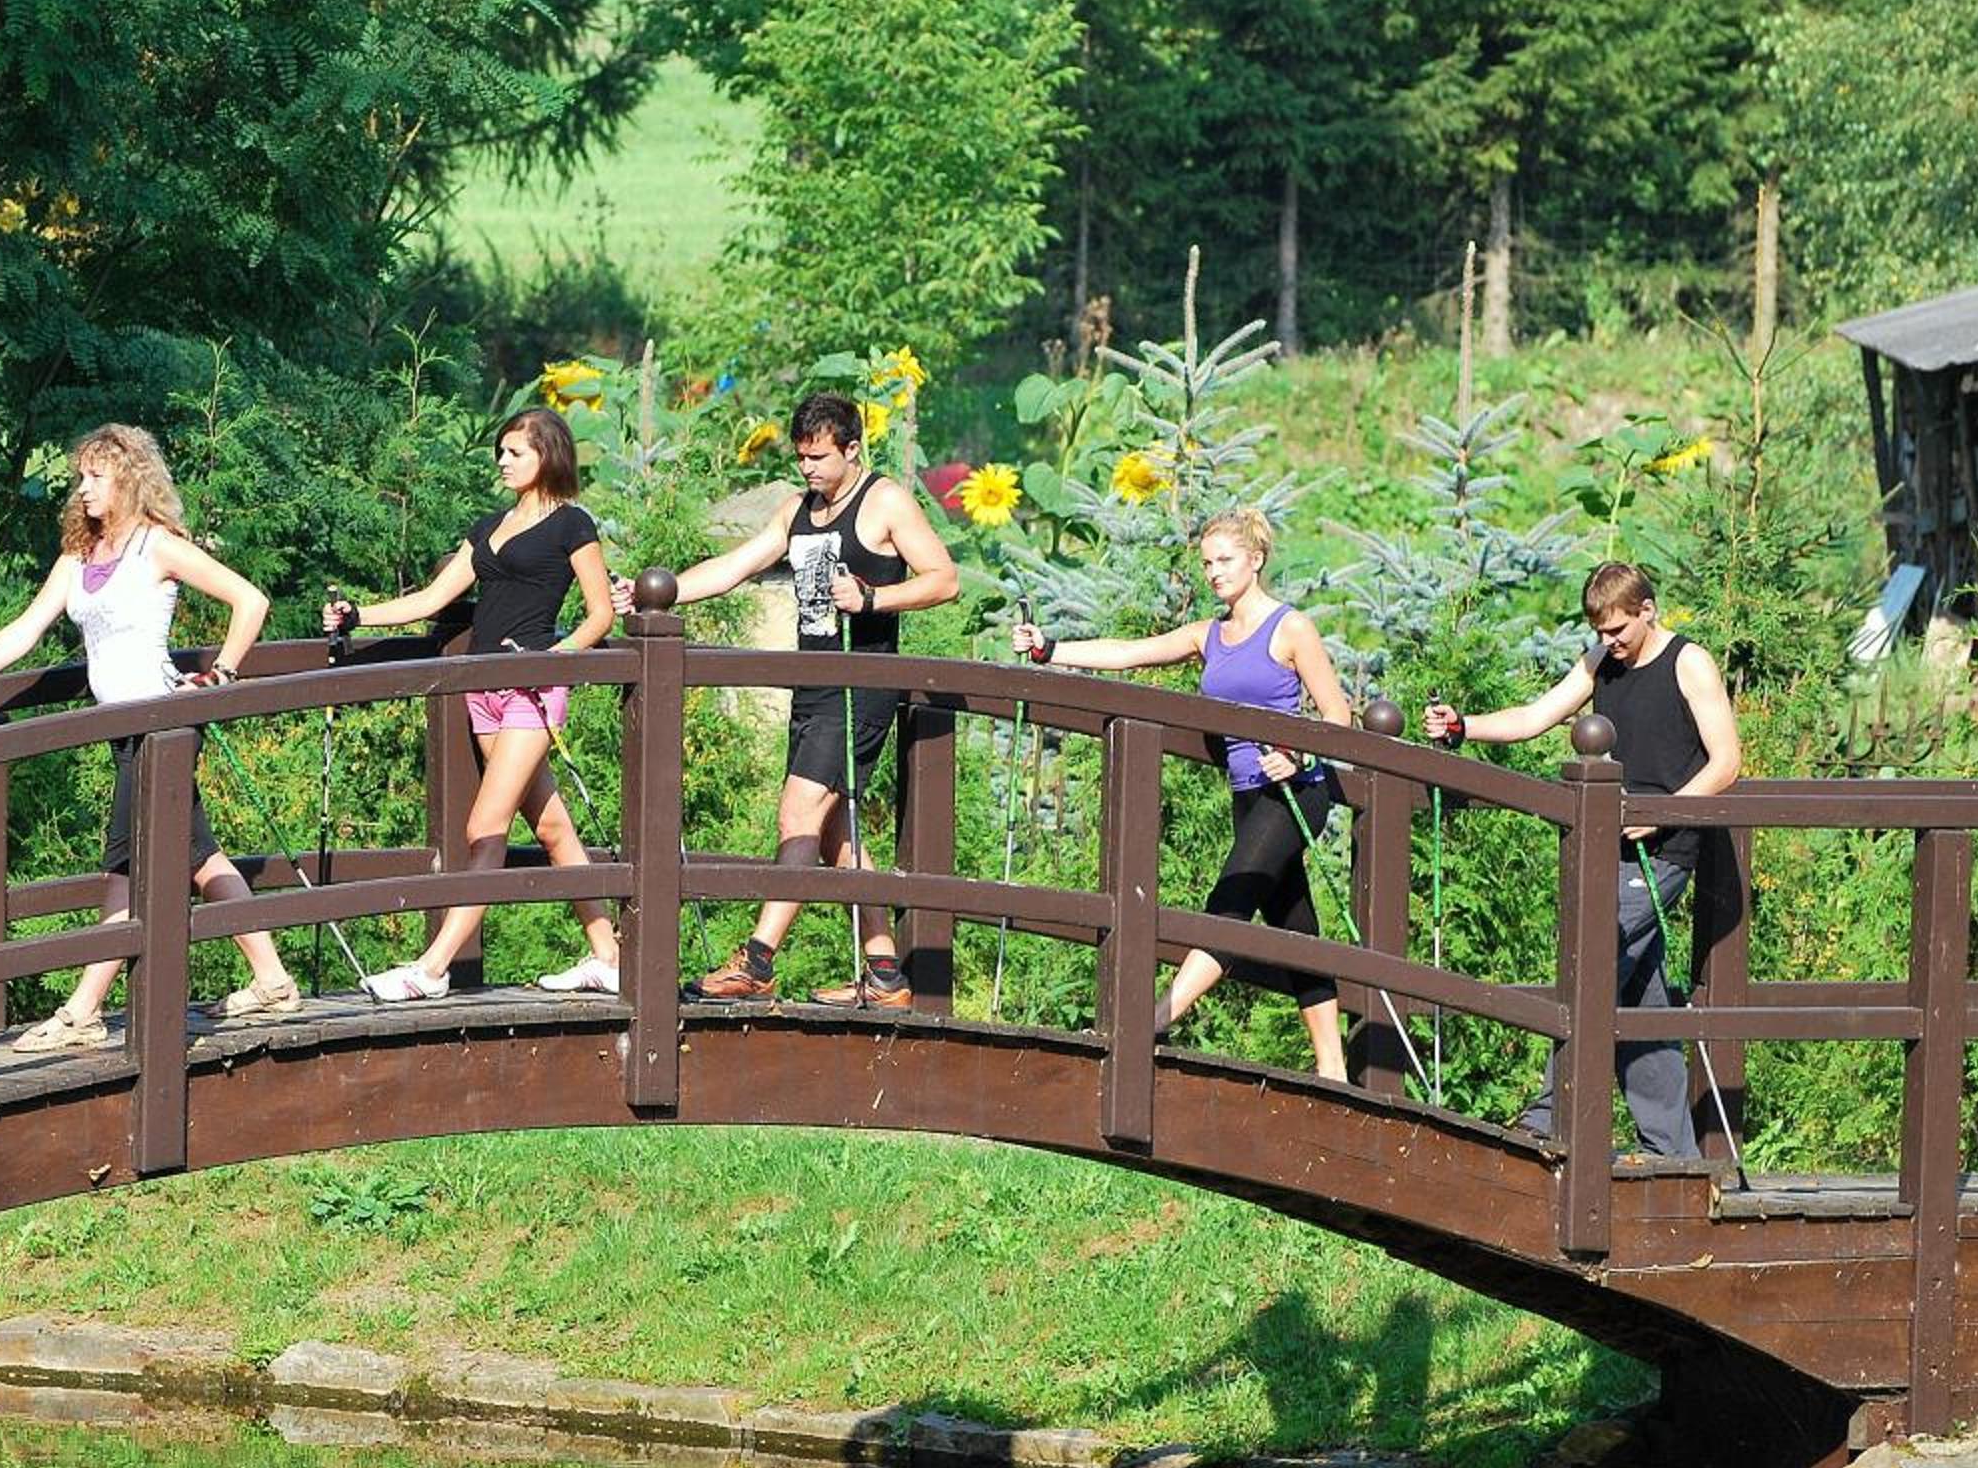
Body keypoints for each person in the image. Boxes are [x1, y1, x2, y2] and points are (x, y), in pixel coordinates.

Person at [0, 423, 300, 1051]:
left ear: (129, 478)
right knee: (197, 857)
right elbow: (23, 632)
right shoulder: (78, 556)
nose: (84, 489)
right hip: (122, 732)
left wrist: (219, 676)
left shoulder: (157, 545)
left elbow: (250, 600)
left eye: (96, 476)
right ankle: (273, 980)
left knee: (124, 865)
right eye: (81, 477)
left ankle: (82, 1011)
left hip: (161, 726)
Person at [614, 391, 959, 1007]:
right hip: (812, 687)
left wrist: (874, 599)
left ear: (852, 449)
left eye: (819, 457)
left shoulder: (884, 501)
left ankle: (758, 961)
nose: (808, 468)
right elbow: (735, 565)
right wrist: (654, 595)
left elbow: (944, 580)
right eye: (801, 457)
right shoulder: (798, 510)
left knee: (796, 815)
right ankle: (885, 974)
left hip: (860, 688)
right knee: (835, 837)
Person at [1006, 508, 1354, 1080]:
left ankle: (1150, 1021)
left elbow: (1338, 717)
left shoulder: (1290, 628)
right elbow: (1128, 653)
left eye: (1225, 560)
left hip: (1293, 792)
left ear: (1256, 560)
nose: (1214, 572)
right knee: (1295, 926)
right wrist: (1050, 649)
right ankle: (1334, 1067)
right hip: (1248, 795)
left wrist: (1297, 754)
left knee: (1231, 902)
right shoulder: (1207, 635)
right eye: (1207, 563)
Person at [1423, 561, 1743, 1157]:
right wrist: (1463, 726)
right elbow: (1535, 717)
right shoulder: (1601, 662)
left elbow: (1726, 761)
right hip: (1607, 847)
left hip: (1665, 850)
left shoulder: (1689, 663)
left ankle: (1549, 1116)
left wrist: (1666, 812)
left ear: (1647, 610)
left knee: (1593, 961)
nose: (1608, 641)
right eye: (1599, 631)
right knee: (1638, 993)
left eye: (1618, 629)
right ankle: (1676, 1155)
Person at [321, 407, 621, 1000]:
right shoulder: (488, 525)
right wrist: (358, 615)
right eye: (501, 452)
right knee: (551, 825)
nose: (503, 461)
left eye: (515, 452)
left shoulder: (573, 525)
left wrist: (552, 659)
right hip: (481, 688)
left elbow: (600, 614)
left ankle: (431, 970)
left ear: (547, 456)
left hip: (531, 690)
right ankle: (609, 955)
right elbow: (433, 598)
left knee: (484, 826)